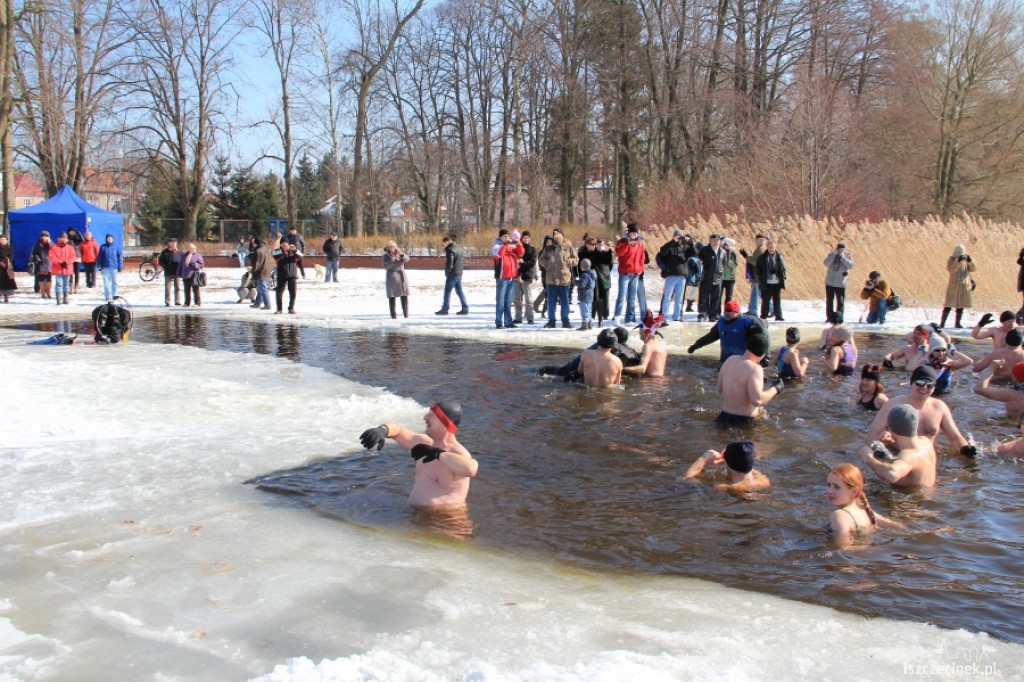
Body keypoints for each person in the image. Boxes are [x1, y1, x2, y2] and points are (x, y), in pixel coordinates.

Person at [358, 401, 478, 508]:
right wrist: (383, 430)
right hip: (416, 515)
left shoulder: (457, 452)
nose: (425, 417)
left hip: (446, 519)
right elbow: (398, 430)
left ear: (445, 422)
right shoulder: (424, 443)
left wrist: (437, 454)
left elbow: (471, 469)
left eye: (432, 415)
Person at [868, 365, 977, 457]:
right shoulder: (893, 405)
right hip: (898, 456)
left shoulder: (939, 407)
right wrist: (878, 452)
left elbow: (955, 438)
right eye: (920, 383)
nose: (924, 388)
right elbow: (873, 433)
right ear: (911, 383)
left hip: (926, 458)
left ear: (934, 387)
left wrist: (965, 449)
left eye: (929, 385)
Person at [857, 404, 936, 489]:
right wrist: (892, 442)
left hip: (910, 497)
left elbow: (892, 475)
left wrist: (868, 458)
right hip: (929, 493)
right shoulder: (925, 442)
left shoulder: (909, 455)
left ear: (891, 428)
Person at [716, 333, 783, 425]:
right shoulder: (755, 369)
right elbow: (757, 400)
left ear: (747, 346)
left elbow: (719, 389)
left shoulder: (730, 360)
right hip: (744, 423)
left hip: (722, 418)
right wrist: (776, 388)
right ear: (764, 355)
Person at [688, 299, 770, 363]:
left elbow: (764, 338)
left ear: (736, 312)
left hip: (744, 362)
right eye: (725, 310)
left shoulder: (748, 322)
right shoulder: (721, 322)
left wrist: (766, 357)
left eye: (729, 311)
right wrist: (696, 345)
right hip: (726, 361)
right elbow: (711, 336)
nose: (726, 313)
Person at [683, 440, 769, 492]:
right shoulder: (763, 481)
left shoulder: (721, 488)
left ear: (725, 458)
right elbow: (744, 463)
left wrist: (703, 459)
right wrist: (730, 457)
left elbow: (685, 480)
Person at [905, 335, 973, 394]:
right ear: (931, 351)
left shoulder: (949, 364)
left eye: (943, 350)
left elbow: (969, 361)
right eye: (937, 350)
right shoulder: (924, 363)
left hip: (944, 396)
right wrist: (920, 353)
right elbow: (909, 368)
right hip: (925, 395)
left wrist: (953, 351)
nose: (940, 353)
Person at [538, 230, 577, 329]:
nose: (557, 238)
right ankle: (551, 321)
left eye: (559, 236)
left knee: (565, 302)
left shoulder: (568, 248)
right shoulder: (548, 249)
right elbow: (541, 259)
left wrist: (569, 261)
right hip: (551, 280)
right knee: (551, 302)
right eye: (555, 236)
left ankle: (565, 321)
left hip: (564, 280)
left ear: (562, 237)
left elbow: (576, 260)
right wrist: (547, 264)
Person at [578, 235, 612, 325]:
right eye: (592, 244)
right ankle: (589, 317)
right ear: (587, 244)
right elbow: (579, 265)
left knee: (598, 298)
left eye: (594, 244)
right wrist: (579, 275)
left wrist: (608, 251)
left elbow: (607, 261)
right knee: (590, 299)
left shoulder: (598, 252)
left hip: (597, 278)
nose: (593, 246)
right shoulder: (582, 253)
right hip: (587, 278)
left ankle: (600, 319)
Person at [940, 244, 975, 328]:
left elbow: (973, 269)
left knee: (961, 305)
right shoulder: (951, 259)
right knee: (948, 304)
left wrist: (970, 261)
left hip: (964, 285)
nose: (959, 253)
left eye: (961, 252)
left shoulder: (966, 261)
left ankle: (957, 323)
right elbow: (951, 269)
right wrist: (958, 261)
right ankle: (942, 323)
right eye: (958, 252)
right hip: (954, 285)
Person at [624, 311, 668, 377]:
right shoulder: (662, 347)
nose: (639, 333)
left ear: (645, 331)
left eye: (640, 330)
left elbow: (642, 368)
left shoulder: (648, 346)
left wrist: (623, 369)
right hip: (661, 380)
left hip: (651, 381)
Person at [658, 229, 688, 321]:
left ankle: (677, 316)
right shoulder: (670, 247)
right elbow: (662, 251)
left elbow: (694, 253)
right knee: (667, 297)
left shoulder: (685, 247)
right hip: (671, 275)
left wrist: (689, 242)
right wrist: (672, 241)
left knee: (679, 298)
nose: (678, 238)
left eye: (680, 237)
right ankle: (664, 316)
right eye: (676, 236)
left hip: (682, 276)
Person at [436, 233, 469, 316]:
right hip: (459, 273)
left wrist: (447, 272)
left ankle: (445, 309)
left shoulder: (450, 250)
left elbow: (449, 263)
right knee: (459, 291)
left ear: (447, 242)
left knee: (447, 292)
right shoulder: (460, 249)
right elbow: (462, 262)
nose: (444, 245)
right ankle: (465, 308)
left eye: (444, 243)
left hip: (452, 274)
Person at [697, 233, 725, 322]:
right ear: (710, 240)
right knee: (703, 297)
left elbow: (724, 263)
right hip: (706, 278)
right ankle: (703, 313)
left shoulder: (723, 252)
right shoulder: (705, 250)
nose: (716, 242)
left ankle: (712, 315)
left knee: (715, 299)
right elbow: (699, 262)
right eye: (714, 240)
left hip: (718, 279)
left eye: (717, 240)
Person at [756, 239, 787, 321]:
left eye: (772, 247)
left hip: (777, 282)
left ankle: (779, 316)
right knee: (766, 300)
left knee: (777, 300)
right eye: (770, 247)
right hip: (767, 283)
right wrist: (761, 278)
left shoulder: (779, 257)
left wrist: (783, 277)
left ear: (775, 248)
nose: (771, 249)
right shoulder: (762, 257)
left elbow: (783, 268)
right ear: (767, 247)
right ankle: (764, 316)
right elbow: (758, 269)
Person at [740, 234, 768, 316]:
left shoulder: (761, 250)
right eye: (759, 240)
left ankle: (771, 309)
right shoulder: (761, 249)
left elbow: (756, 262)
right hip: (757, 276)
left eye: (761, 240)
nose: (759, 242)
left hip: (758, 276)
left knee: (758, 294)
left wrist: (747, 257)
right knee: (756, 294)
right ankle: (753, 310)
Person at [513, 231, 536, 324]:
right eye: (525, 237)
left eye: (528, 238)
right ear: (521, 238)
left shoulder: (532, 249)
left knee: (528, 299)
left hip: (527, 277)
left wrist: (522, 263)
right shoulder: (516, 248)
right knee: (516, 299)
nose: (526, 239)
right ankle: (518, 317)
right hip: (516, 276)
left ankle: (530, 318)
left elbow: (532, 263)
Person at [383, 240, 410, 319]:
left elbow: (407, 259)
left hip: (401, 277)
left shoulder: (399, 254)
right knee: (392, 297)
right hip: (391, 278)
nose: (392, 249)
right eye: (390, 247)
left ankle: (406, 314)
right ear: (388, 248)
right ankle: (393, 315)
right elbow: (385, 266)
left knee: (404, 296)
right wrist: (391, 260)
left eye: (393, 247)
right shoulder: (385, 256)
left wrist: (402, 255)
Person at [49, 232, 77, 305]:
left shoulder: (70, 247)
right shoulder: (54, 247)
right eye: (62, 238)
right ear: (59, 239)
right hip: (58, 269)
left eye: (65, 238)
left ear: (67, 239)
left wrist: (66, 262)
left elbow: (73, 257)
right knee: (59, 284)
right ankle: (58, 300)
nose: (63, 240)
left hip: (67, 269)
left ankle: (65, 299)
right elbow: (51, 257)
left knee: (66, 285)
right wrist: (60, 262)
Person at [274, 242, 300, 314]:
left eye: (286, 245)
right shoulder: (277, 251)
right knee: (279, 293)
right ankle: (279, 309)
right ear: (281, 245)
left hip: (292, 275)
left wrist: (295, 250)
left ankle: (291, 308)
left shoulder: (293, 252)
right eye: (283, 245)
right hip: (281, 275)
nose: (285, 246)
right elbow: (275, 257)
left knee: (293, 292)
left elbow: (300, 257)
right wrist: (283, 251)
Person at [157, 237, 183, 307]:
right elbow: (161, 261)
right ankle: (167, 301)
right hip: (168, 272)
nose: (173, 244)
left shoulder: (179, 252)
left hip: (177, 272)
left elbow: (182, 260)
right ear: (169, 243)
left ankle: (177, 301)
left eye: (175, 243)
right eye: (172, 243)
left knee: (178, 288)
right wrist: (165, 267)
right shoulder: (165, 252)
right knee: (168, 288)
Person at [96, 233, 122, 301]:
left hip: (114, 267)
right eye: (108, 238)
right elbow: (99, 257)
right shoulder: (103, 247)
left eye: (111, 238)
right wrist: (99, 266)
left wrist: (120, 266)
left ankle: (114, 295)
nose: (109, 239)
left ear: (113, 239)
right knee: (106, 282)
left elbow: (120, 257)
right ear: (106, 239)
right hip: (105, 267)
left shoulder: (116, 247)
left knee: (114, 282)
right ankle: (107, 296)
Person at [250, 237, 274, 310]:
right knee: (261, 288)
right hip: (267, 271)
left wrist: (253, 271)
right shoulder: (266, 249)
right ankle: (257, 303)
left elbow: (257, 263)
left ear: (256, 243)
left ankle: (267, 305)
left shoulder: (258, 251)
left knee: (263, 289)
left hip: (261, 272)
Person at [575, 258, 597, 331]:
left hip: (584, 295)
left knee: (584, 309)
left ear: (583, 266)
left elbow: (582, 284)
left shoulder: (585, 275)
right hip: (590, 294)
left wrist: (576, 281)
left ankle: (585, 324)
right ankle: (589, 323)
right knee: (588, 309)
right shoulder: (593, 274)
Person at [30, 231, 52, 298]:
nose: (45, 238)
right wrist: (36, 258)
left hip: (49, 263)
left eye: (46, 236)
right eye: (43, 236)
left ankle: (48, 292)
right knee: (41, 279)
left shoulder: (51, 243)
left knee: (49, 279)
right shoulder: (38, 244)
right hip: (41, 263)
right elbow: (34, 253)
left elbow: (53, 250)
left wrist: (49, 243)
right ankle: (43, 293)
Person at [720, 237, 740, 313]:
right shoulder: (721, 251)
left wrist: (728, 260)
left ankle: (727, 311)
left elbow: (734, 265)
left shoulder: (733, 253)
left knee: (729, 296)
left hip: (730, 278)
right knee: (718, 295)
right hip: (721, 277)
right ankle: (717, 311)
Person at [66, 227, 83, 294]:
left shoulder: (76, 239)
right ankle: (70, 286)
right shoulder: (67, 239)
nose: (72, 232)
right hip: (69, 257)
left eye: (74, 231)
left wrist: (78, 232)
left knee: (77, 273)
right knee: (70, 272)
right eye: (71, 231)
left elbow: (82, 239)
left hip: (77, 257)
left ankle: (76, 287)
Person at [0, 234, 16, 302]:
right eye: (1, 240)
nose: (2, 241)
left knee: (8, 282)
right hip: (0, 266)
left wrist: (8, 262)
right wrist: (1, 262)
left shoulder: (10, 247)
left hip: (8, 266)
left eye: (3, 240)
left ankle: (6, 296)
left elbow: (11, 256)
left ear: (6, 240)